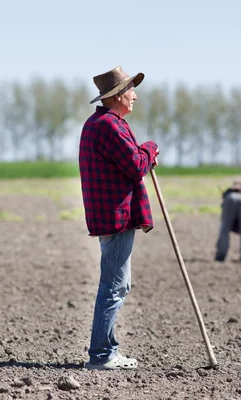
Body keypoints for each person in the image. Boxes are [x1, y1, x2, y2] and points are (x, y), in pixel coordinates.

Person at [79, 65, 159, 370]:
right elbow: (136, 164)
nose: (135, 96)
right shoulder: (109, 126)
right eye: (131, 90)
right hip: (116, 215)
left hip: (111, 214)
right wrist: (150, 149)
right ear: (116, 97)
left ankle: (106, 349)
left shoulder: (100, 123)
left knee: (118, 284)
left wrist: (143, 152)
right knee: (114, 285)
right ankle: (101, 355)